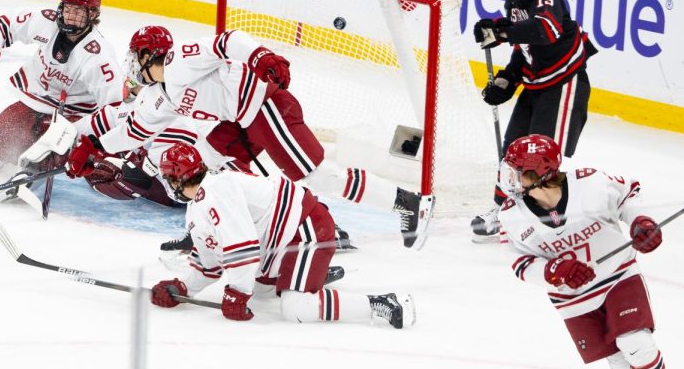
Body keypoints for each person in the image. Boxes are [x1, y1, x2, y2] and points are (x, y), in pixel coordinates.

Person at [64, 25, 433, 249]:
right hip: (240, 121)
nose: (130, 63)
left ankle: (406, 203)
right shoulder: (158, 95)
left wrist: (262, 57)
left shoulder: (179, 60)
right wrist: (93, 147)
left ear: (148, 55)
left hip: (265, 106)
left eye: (135, 55)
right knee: (204, 166)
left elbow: (228, 40)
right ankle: (201, 237)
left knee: (318, 177)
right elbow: (134, 130)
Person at [496, 134, 684, 369]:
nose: (510, 178)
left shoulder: (591, 184)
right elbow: (520, 264)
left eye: (519, 171)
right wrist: (552, 270)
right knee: (619, 361)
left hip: (617, 276)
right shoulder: (511, 216)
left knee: (637, 342)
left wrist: (640, 222)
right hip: (573, 299)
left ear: (541, 173)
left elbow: (628, 193)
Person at [147, 144, 412, 325]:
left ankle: (382, 303)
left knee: (296, 309)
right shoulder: (197, 208)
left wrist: (238, 291)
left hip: (306, 227)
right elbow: (210, 261)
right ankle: (302, 275)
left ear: (175, 179)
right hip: (283, 243)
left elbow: (243, 247)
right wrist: (183, 288)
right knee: (261, 294)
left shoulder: (217, 189)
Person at [471, 0, 597, 240]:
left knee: (543, 158)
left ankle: (553, 218)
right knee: (513, 152)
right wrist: (507, 79)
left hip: (563, 82)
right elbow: (525, 47)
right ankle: (504, 213)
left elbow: (547, 29)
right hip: (537, 83)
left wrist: (502, 32)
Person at [0, 0, 124, 173]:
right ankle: (25, 151)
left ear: (93, 15)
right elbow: (4, 24)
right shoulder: (46, 21)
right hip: (32, 104)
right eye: (68, 9)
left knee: (33, 172)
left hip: (71, 117)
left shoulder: (99, 57)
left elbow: (115, 107)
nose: (70, 16)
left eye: (78, 11)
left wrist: (86, 136)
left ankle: (41, 164)